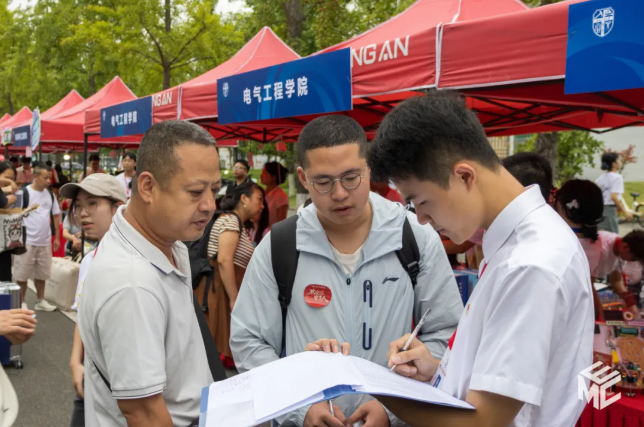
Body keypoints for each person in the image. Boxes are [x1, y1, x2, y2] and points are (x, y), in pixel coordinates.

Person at [363, 92, 593, 427]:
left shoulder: (529, 264)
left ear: (464, 176)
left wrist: (376, 388)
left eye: (422, 201)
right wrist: (440, 370)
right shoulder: (517, 246)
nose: (422, 219)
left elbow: (483, 421)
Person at [231, 115, 462, 427]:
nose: (339, 193)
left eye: (351, 177)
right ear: (302, 177)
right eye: (323, 182)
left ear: (369, 168)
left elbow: (446, 332)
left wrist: (393, 408)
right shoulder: (280, 245)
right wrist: (300, 408)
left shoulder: (414, 237)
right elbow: (249, 341)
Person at [78, 121, 220, 427]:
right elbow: (143, 413)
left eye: (215, 189)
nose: (210, 205)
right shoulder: (132, 284)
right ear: (147, 187)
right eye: (196, 192)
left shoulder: (167, 243)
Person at [63, 174, 127, 427]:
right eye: (79, 205)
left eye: (92, 203)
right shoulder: (90, 259)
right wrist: (75, 361)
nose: (83, 213)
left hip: (127, 376)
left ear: (118, 207)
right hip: (94, 371)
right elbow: (83, 313)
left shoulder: (134, 259)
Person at [198, 182, 263, 370]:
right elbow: (224, 260)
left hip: (223, 289)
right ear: (244, 199)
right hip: (219, 291)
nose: (262, 206)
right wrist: (234, 298)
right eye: (259, 199)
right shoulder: (231, 221)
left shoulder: (238, 223)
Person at [13, 162, 60, 312]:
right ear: (35, 176)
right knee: (22, 274)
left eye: (49, 178)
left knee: (42, 273)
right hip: (26, 240)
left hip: (45, 241)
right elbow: (14, 215)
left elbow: (56, 216)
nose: (48, 181)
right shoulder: (23, 193)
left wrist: (57, 238)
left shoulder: (51, 195)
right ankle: (21, 301)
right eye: (45, 178)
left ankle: (40, 300)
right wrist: (28, 210)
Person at [596, 152, 631, 233]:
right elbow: (613, 197)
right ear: (614, 164)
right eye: (618, 160)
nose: (620, 161)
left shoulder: (599, 179)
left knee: (601, 235)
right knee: (613, 236)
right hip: (609, 210)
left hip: (599, 210)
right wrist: (625, 211)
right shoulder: (617, 178)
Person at [0, 161, 18, 282]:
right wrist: (9, 200)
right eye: (7, 178)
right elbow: (3, 203)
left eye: (12, 179)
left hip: (5, 241)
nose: (10, 181)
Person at [261, 161, 289, 228]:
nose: (261, 176)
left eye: (264, 173)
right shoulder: (261, 192)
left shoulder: (281, 197)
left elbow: (281, 223)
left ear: (273, 177)